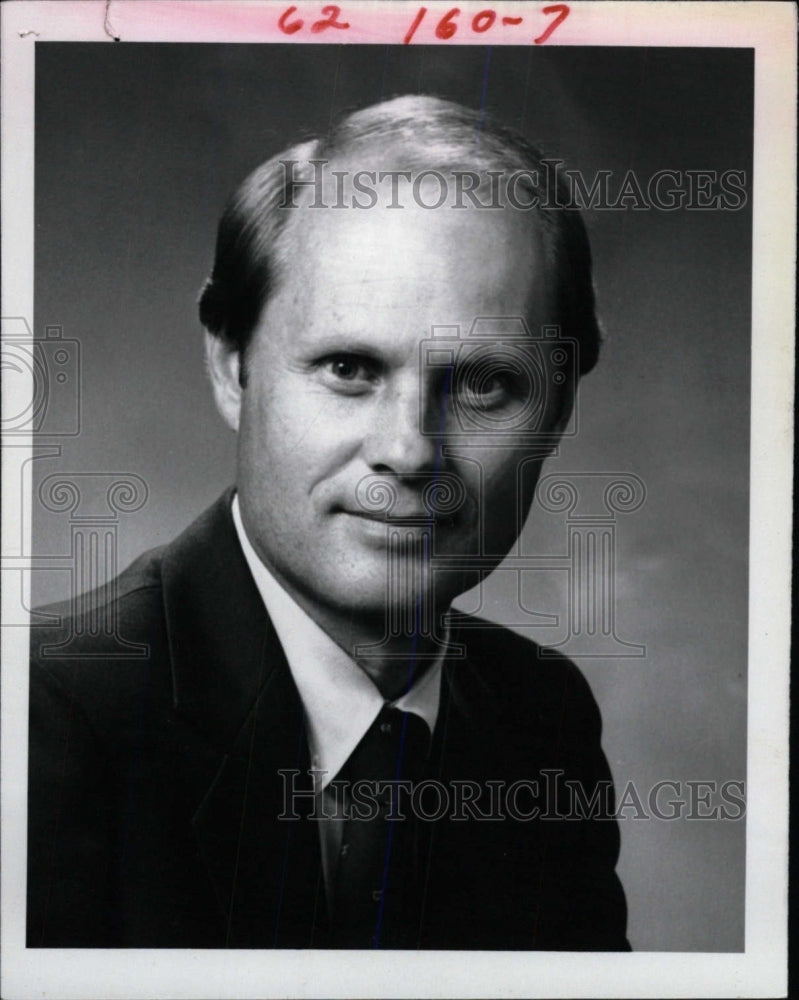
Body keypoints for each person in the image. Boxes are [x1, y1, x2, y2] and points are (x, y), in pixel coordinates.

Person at [27, 95, 630, 950]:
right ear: (232, 366)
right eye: (349, 367)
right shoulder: (42, 722)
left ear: (559, 408)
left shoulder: (539, 721)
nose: (410, 451)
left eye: (485, 384)